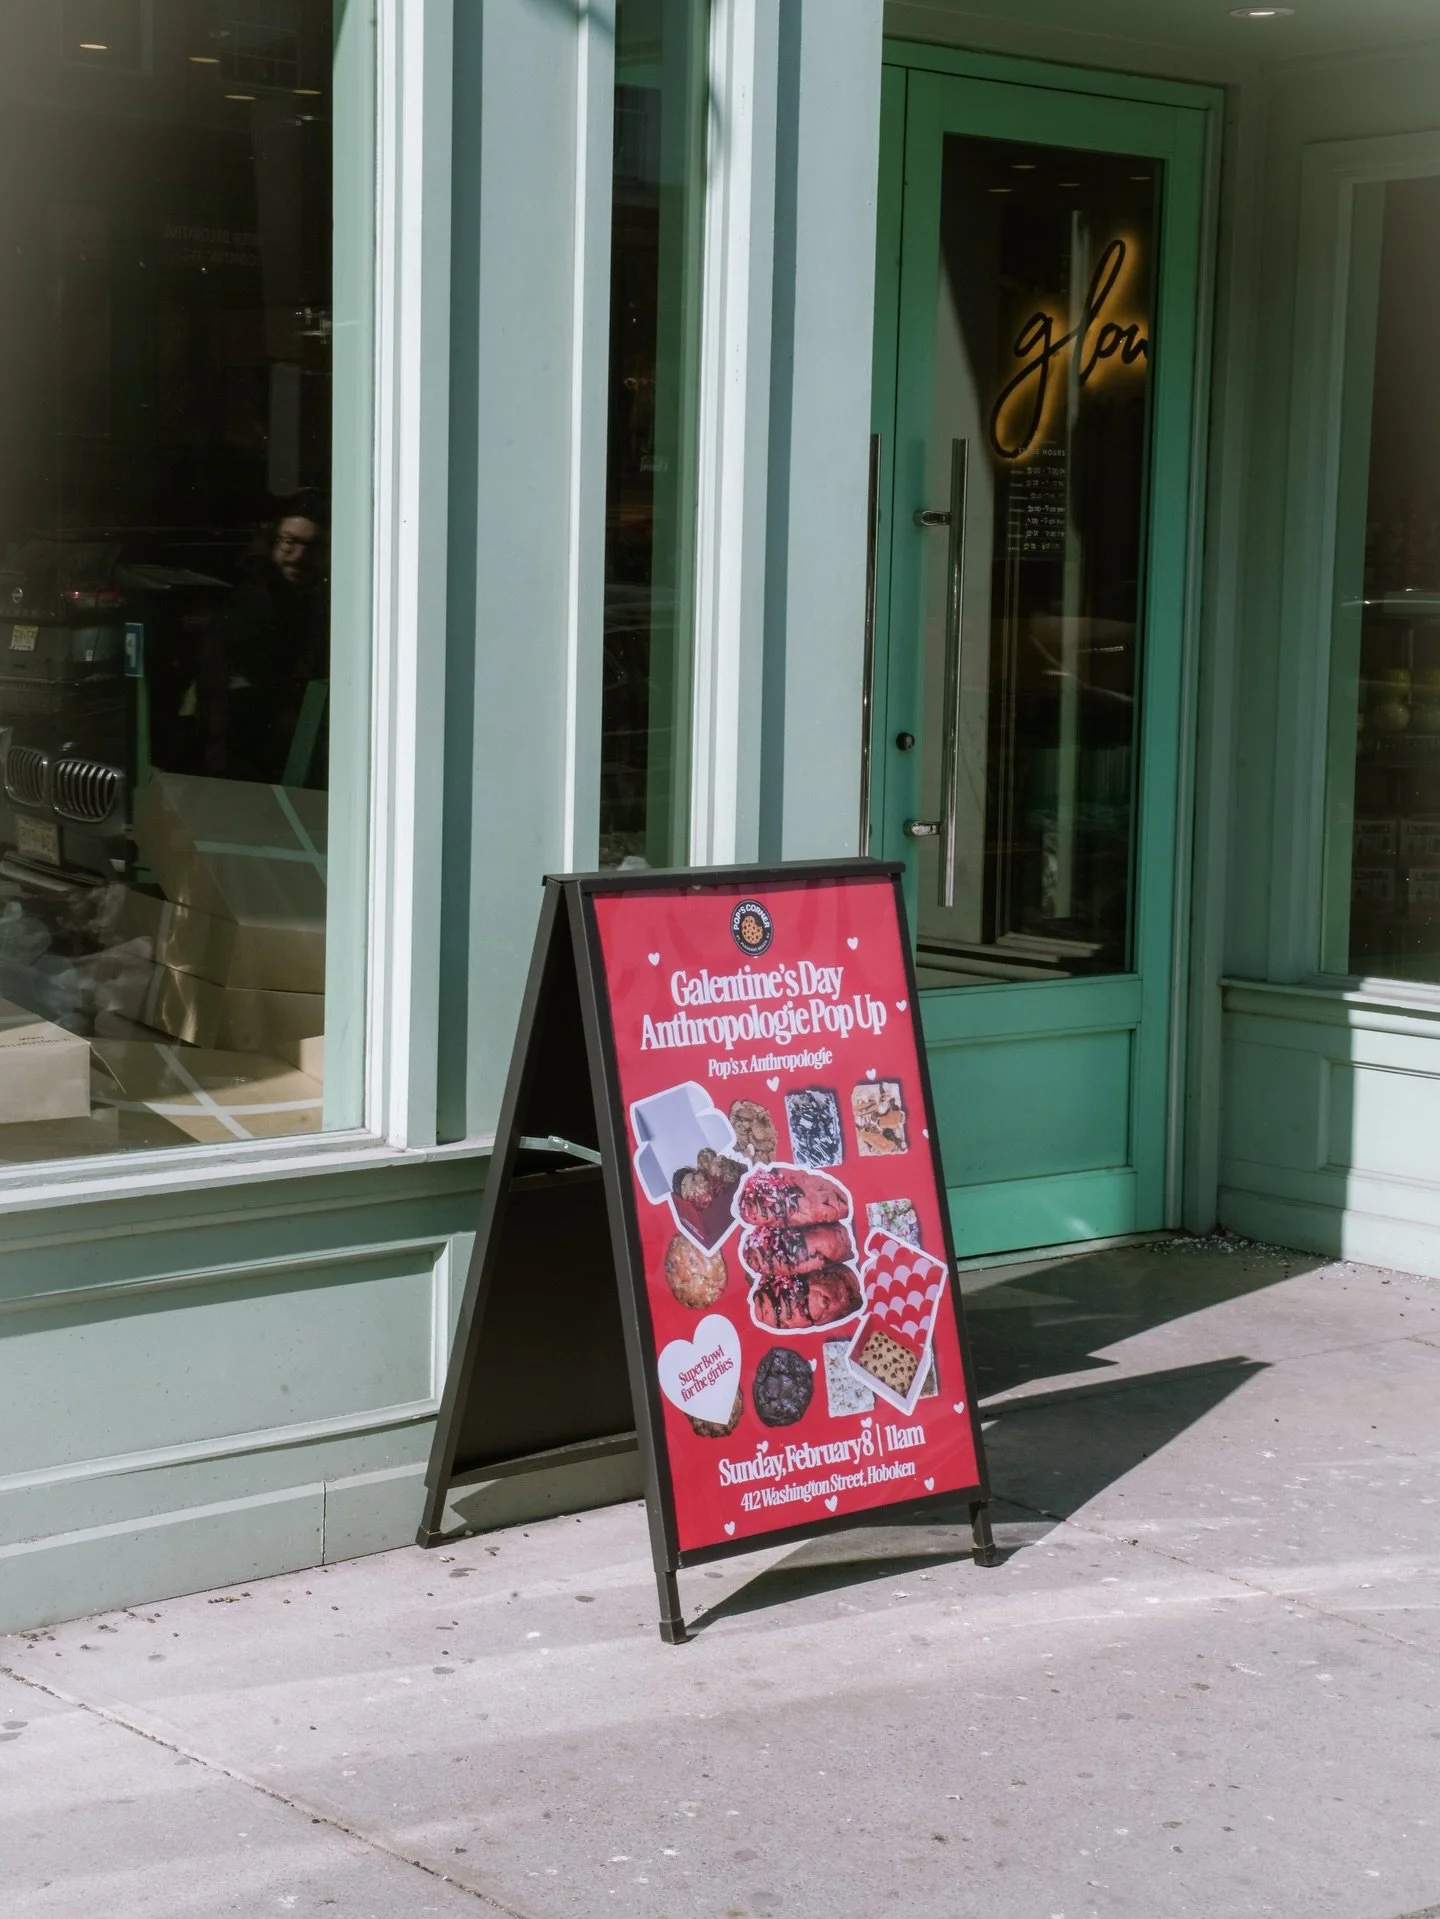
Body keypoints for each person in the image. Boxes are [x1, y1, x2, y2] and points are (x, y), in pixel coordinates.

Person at [211, 500, 330, 783]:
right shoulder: (244, 603)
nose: (298, 556)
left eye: (312, 547)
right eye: (290, 542)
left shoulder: (327, 602)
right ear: (273, 540)